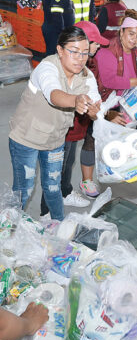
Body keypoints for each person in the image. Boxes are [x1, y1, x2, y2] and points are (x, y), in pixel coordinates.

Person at [9, 26, 101, 221]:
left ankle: (58, 225)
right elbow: (54, 95)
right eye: (74, 52)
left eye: (85, 53)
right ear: (60, 50)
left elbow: (96, 103)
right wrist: (75, 101)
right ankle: (8, 234)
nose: (80, 58)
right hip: (27, 138)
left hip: (55, 140)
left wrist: (95, 111)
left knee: (53, 187)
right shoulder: (47, 67)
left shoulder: (87, 76)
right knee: (23, 190)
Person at [79, 9, 137, 198]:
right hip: (99, 99)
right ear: (121, 32)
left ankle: (106, 172)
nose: (134, 40)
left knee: (109, 140)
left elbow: (132, 75)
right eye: (131, 34)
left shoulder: (134, 52)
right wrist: (136, 82)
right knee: (91, 139)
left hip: (116, 100)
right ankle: (86, 180)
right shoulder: (108, 50)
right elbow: (109, 80)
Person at [40, 22, 108, 215]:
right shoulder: (61, 69)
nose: (96, 48)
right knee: (55, 168)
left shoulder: (88, 65)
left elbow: (94, 95)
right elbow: (56, 94)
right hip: (64, 127)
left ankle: (65, 191)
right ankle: (46, 211)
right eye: (94, 44)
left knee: (67, 163)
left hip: (77, 126)